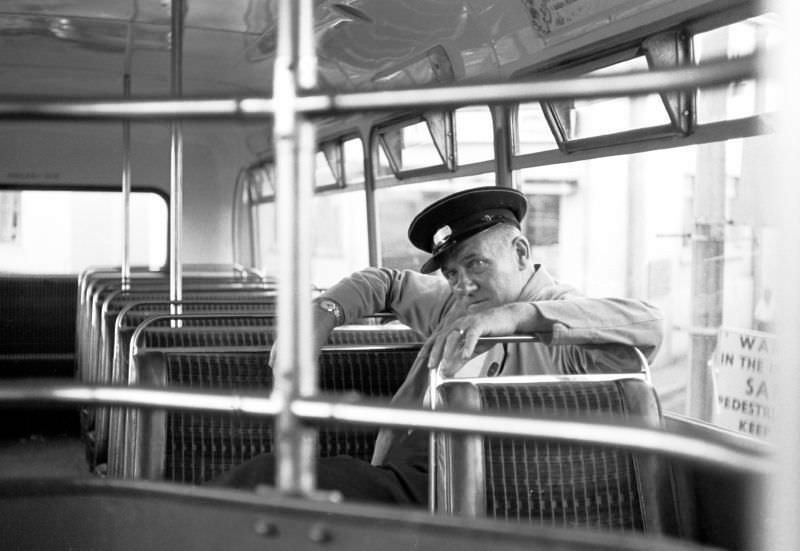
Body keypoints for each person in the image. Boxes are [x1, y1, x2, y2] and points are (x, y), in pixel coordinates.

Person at [213, 186, 664, 506]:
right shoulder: (456, 305)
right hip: (410, 474)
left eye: (476, 264)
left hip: (488, 491)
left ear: (522, 253)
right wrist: (321, 315)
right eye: (451, 273)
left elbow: (647, 324)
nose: (463, 285)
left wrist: (513, 317)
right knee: (265, 481)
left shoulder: (559, 316)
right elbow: (383, 282)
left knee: (267, 482)